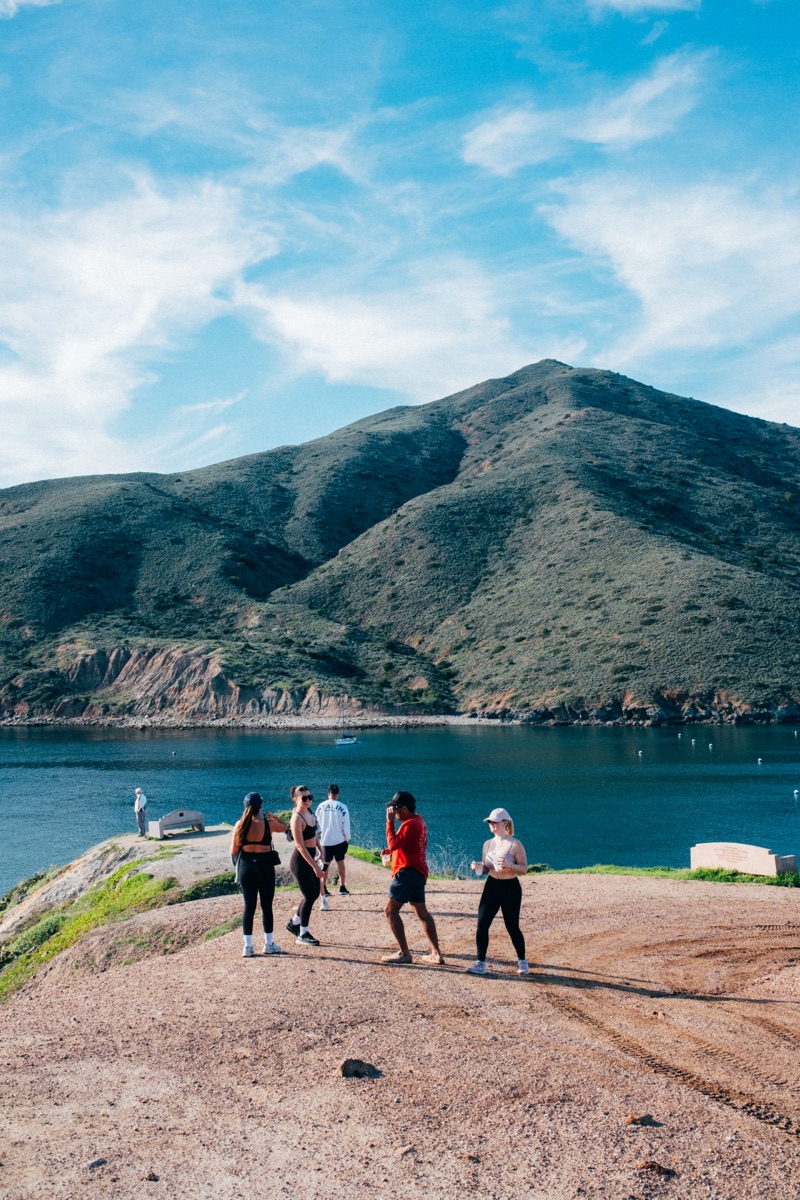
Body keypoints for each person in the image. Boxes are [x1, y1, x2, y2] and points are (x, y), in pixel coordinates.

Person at [381, 791, 444, 965]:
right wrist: (392, 852)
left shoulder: (409, 825)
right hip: (417, 872)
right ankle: (436, 953)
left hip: (407, 872)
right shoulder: (419, 821)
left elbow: (393, 842)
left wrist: (389, 822)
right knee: (422, 912)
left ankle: (404, 953)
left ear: (405, 808)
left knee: (390, 911)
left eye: (395, 808)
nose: (392, 810)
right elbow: (409, 845)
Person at [467, 807, 529, 976]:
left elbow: (524, 869)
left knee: (512, 926)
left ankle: (522, 961)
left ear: (505, 823)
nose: (491, 824)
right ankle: (480, 963)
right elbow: (486, 869)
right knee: (482, 924)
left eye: (494, 821)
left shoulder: (515, 844)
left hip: (510, 888)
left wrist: (511, 866)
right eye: (489, 822)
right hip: (492, 886)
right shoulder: (487, 844)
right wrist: (477, 868)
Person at [230, 792, 288, 958]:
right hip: (265, 866)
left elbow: (233, 851)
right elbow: (286, 828)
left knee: (249, 907)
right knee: (266, 906)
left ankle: (248, 947)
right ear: (260, 807)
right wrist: (275, 817)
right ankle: (268, 944)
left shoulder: (239, 825)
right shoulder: (268, 824)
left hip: (246, 867)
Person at [286, 785, 324, 946]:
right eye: (304, 798)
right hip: (300, 861)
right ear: (295, 799)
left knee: (314, 893)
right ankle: (303, 933)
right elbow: (300, 846)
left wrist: (320, 849)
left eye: (310, 797)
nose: (308, 800)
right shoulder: (296, 818)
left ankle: (294, 922)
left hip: (311, 857)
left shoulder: (309, 812)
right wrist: (315, 867)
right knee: (309, 895)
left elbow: (314, 835)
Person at [316, 784, 351, 910]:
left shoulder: (321, 806)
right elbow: (346, 825)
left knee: (326, 864)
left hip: (325, 840)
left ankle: (323, 887)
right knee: (340, 862)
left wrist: (317, 838)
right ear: (338, 794)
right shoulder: (342, 807)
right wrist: (347, 838)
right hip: (339, 839)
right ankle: (342, 886)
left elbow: (316, 824)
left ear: (328, 793)